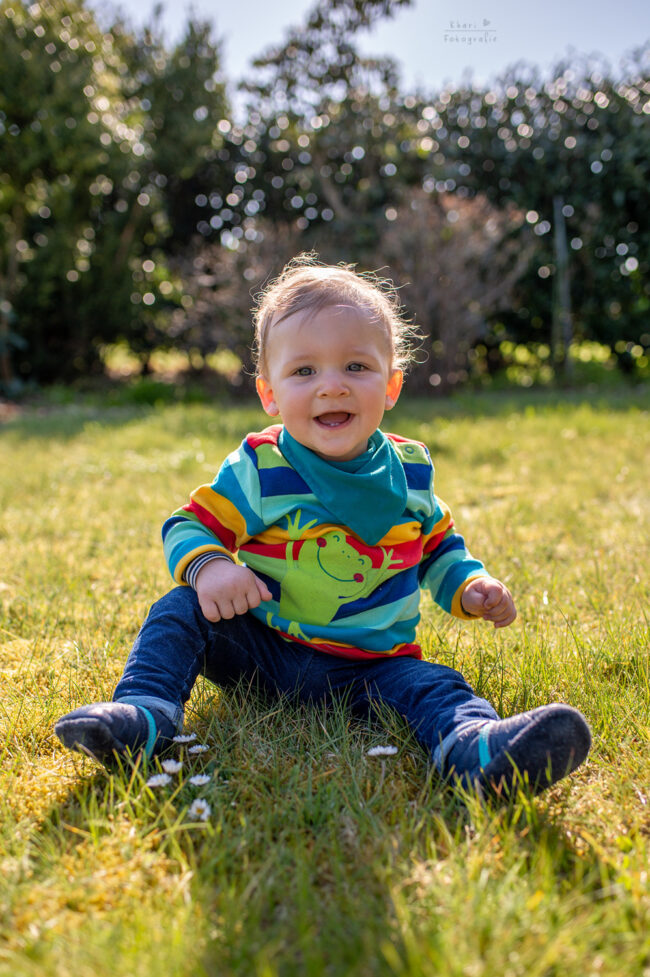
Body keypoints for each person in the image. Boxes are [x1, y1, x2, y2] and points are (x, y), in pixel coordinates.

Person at [55, 256, 591, 797]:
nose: (331, 387)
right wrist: (212, 566)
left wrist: (471, 586)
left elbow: (436, 548)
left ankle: (478, 750)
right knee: (180, 611)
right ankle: (143, 715)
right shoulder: (263, 466)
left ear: (392, 386)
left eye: (356, 367)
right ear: (270, 394)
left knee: (435, 686)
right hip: (265, 652)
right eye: (304, 371)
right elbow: (187, 525)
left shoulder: (410, 471)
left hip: (373, 670)